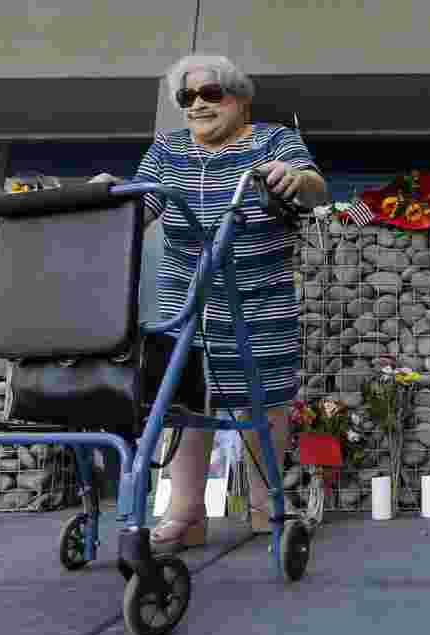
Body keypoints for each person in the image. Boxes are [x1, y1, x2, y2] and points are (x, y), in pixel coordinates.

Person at [91, 53, 328, 553]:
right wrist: (110, 197)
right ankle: (186, 513)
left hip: (259, 294)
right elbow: (143, 207)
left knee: (266, 396)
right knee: (183, 401)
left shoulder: (273, 140)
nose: (197, 104)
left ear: (239, 100)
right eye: (187, 97)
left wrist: (294, 178)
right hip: (187, 297)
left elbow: (312, 187)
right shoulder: (167, 149)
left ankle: (267, 502)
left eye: (210, 94)